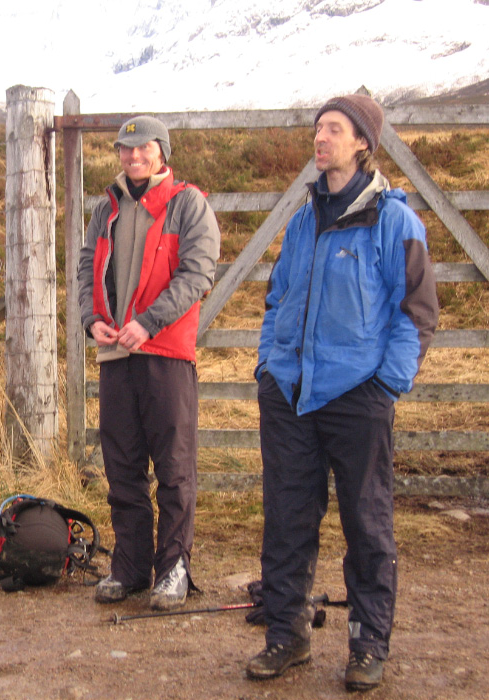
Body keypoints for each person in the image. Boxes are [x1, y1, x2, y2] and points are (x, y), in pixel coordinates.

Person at [246, 95, 439, 692]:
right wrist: (268, 368)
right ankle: (287, 636)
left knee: (367, 523)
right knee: (286, 520)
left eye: (334, 128)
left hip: (358, 395)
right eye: (318, 127)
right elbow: (277, 298)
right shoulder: (303, 221)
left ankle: (367, 645)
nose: (320, 137)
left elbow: (417, 313)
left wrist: (386, 386)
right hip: (290, 394)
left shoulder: (394, 222)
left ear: (362, 144)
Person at [76, 115, 220, 611]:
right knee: (122, 466)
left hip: (166, 354)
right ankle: (131, 567)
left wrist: (149, 322)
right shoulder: (106, 208)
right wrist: (91, 319)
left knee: (174, 466)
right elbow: (85, 267)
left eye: (144, 148)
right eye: (126, 148)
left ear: (162, 152)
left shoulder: (187, 204)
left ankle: (174, 567)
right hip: (116, 353)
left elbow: (197, 274)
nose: (134, 156)